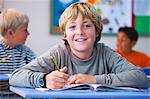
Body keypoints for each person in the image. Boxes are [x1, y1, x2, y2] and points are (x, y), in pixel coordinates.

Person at [10, 2, 149, 90]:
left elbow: (140, 78)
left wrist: (95, 80)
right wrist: (44, 79)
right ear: (65, 34)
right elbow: (16, 76)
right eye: (72, 27)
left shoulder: (105, 53)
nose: (79, 32)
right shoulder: (58, 53)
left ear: (97, 31)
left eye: (87, 26)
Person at [0, 8, 36, 98]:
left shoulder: (27, 52)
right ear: (11, 33)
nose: (28, 33)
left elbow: (38, 70)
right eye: (25, 30)